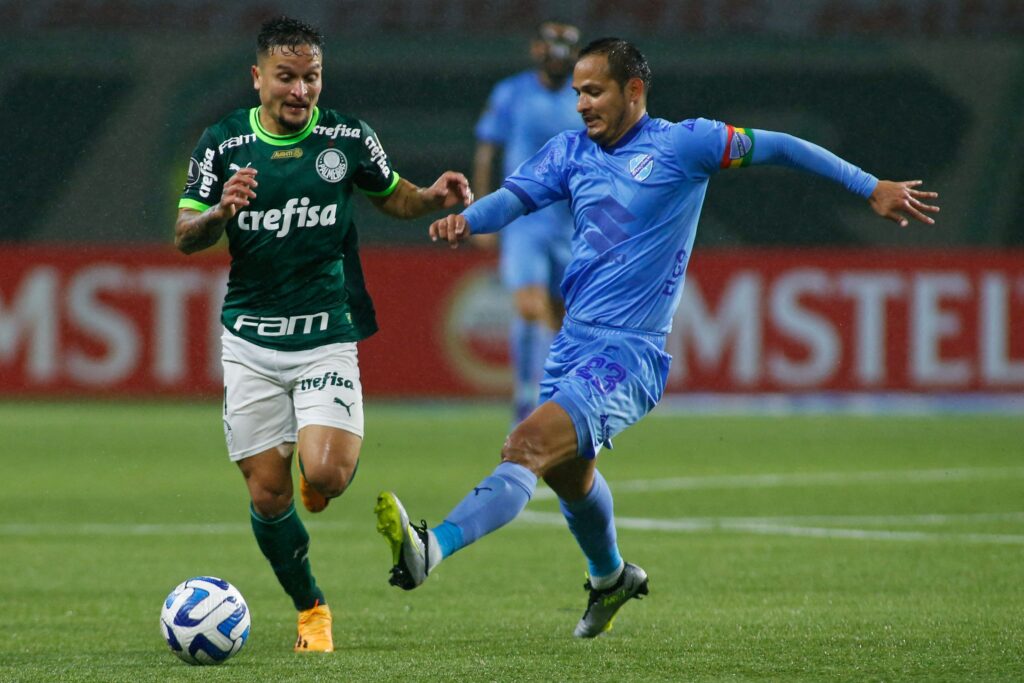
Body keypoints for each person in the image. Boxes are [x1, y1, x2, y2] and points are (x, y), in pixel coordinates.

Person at [375, 37, 939, 637]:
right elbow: (515, 198)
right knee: (572, 476)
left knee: (526, 446)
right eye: (577, 94)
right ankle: (610, 577)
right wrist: (468, 220)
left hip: (629, 352)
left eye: (594, 92)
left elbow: (780, 146)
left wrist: (868, 186)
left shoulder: (684, 144)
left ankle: (431, 547)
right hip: (573, 345)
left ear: (633, 91)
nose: (582, 104)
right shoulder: (571, 152)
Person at [175, 16, 471, 653]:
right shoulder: (223, 144)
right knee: (267, 491)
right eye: (286, 77)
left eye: (310, 77)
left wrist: (432, 196)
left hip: (324, 337)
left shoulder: (345, 136)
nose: (300, 90)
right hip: (250, 343)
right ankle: (312, 609)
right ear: (258, 79)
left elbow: (393, 197)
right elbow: (184, 233)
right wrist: (221, 212)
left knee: (328, 478)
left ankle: (318, 467)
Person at [473, 22, 582, 423]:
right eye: (551, 47)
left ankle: (562, 395)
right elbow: (488, 148)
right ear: (537, 49)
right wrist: (485, 208)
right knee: (529, 306)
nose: (557, 55)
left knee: (563, 315)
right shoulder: (511, 93)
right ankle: (524, 397)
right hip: (523, 219)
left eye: (565, 48)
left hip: (571, 222)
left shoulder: (583, 97)